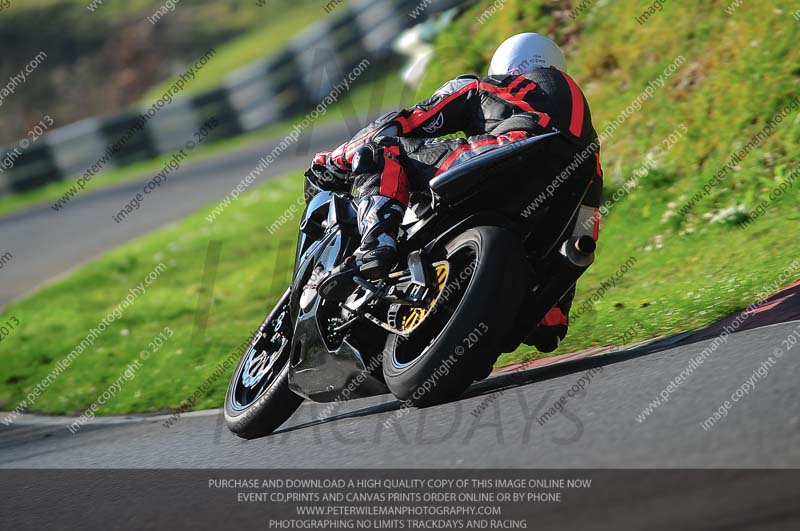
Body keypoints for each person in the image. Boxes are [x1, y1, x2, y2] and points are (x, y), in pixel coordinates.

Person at [307, 33, 603, 352]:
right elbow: (585, 225)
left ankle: (375, 245)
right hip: (557, 197)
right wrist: (555, 309)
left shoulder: (494, 86)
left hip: (510, 150)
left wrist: (334, 159)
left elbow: (405, 122)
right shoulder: (588, 142)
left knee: (382, 151)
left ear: (507, 67)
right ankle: (547, 316)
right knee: (568, 251)